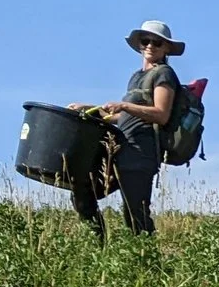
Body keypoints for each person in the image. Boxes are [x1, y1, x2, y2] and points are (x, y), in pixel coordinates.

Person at [76, 20, 184, 238]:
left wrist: (124, 105)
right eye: (146, 41)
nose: (151, 46)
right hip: (120, 149)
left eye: (157, 42)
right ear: (140, 45)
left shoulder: (164, 74)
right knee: (81, 187)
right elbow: (122, 117)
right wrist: (88, 109)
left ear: (166, 48)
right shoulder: (136, 77)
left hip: (141, 154)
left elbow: (161, 114)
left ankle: (147, 262)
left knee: (135, 213)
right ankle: (97, 245)